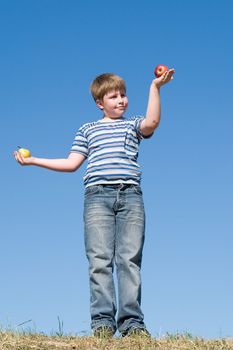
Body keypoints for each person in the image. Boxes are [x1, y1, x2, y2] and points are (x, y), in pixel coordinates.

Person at [14, 69, 175, 338]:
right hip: (97, 198)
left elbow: (152, 122)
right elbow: (71, 163)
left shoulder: (132, 125)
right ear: (100, 103)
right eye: (113, 97)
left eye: (123, 95)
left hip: (131, 196)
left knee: (129, 260)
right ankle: (102, 323)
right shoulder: (88, 129)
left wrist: (155, 87)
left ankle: (132, 323)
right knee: (99, 261)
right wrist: (33, 160)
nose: (121, 100)